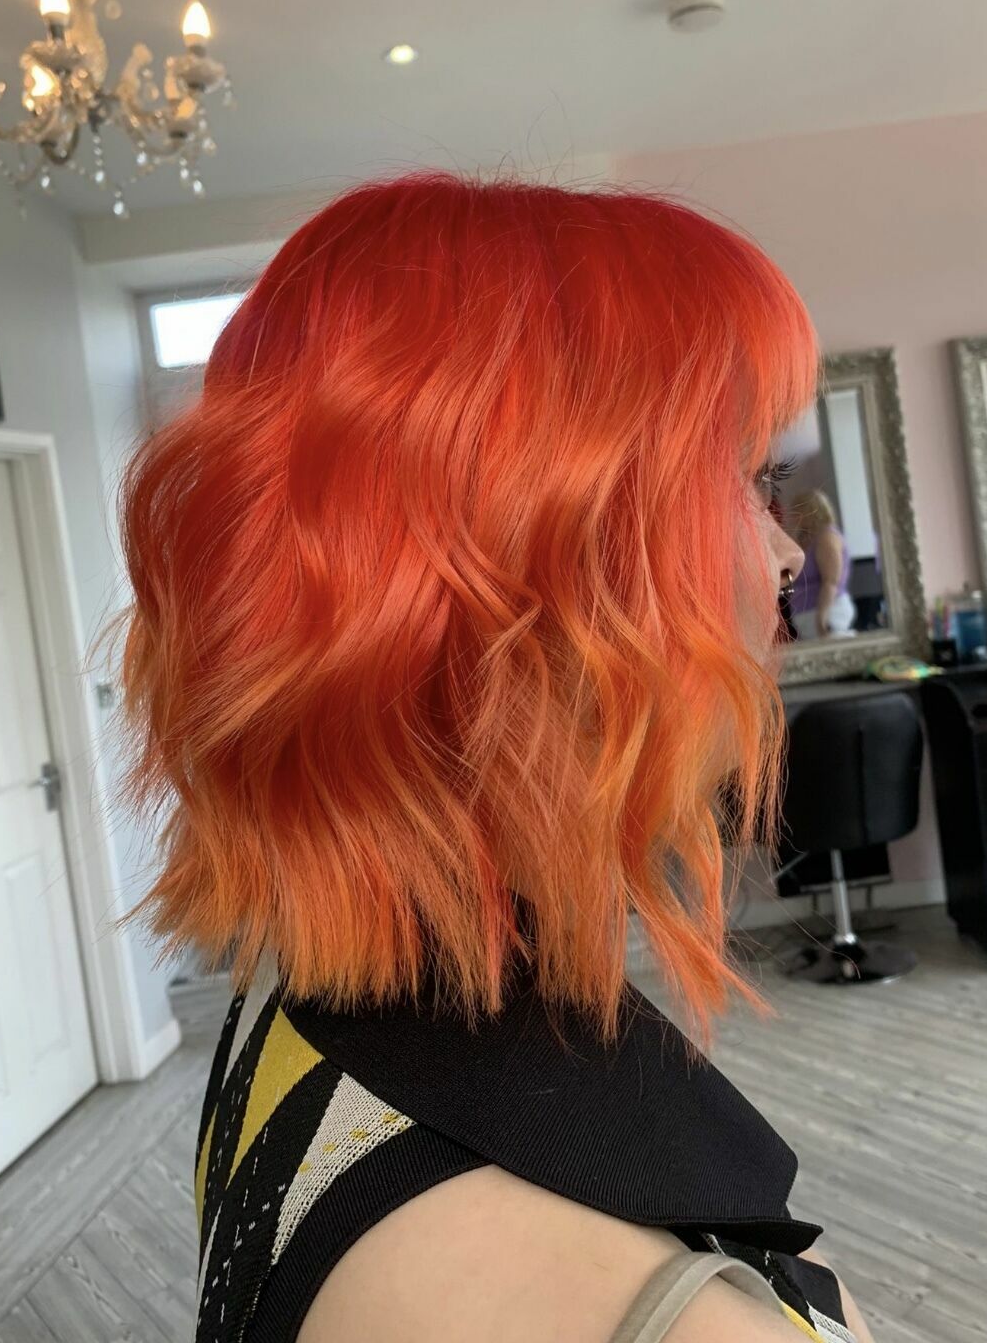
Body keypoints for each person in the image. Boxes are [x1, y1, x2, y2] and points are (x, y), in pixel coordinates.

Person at [119, 174, 876, 1343]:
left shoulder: (299, 996)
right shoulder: (631, 1318)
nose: (780, 553)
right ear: (540, 572)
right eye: (735, 481)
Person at [788, 489, 856, 640]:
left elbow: (830, 582)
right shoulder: (807, 538)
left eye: (798, 511)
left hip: (828, 613)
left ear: (811, 511)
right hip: (808, 615)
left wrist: (822, 617)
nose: (793, 517)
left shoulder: (827, 537)